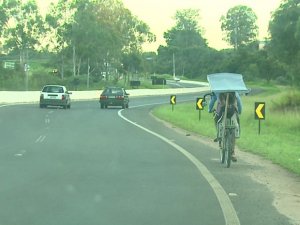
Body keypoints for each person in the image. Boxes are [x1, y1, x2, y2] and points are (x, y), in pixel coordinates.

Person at [208, 91, 242, 162]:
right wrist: (239, 111)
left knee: (217, 119)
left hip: (222, 112)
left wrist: (209, 109)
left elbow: (212, 101)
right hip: (232, 112)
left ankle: (219, 135)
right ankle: (232, 152)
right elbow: (238, 102)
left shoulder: (218, 91)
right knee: (236, 126)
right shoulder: (234, 92)